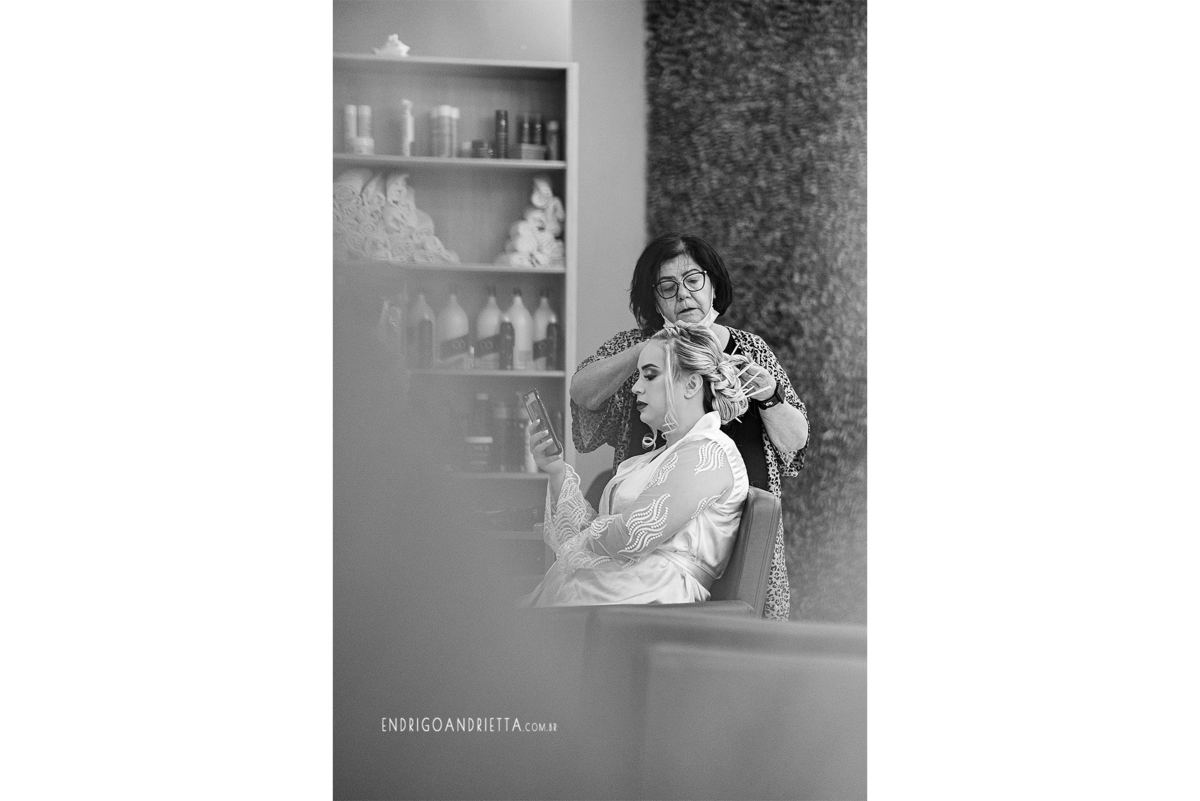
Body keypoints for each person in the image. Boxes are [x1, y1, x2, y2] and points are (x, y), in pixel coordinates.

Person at [570, 233, 809, 621]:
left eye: (693, 280)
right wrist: (650, 350)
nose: (683, 294)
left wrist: (770, 396)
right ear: (655, 301)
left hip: (735, 539)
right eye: (667, 287)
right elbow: (583, 392)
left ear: (713, 286)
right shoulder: (639, 349)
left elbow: (795, 441)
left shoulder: (751, 349)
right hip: (647, 557)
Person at [521, 323, 751, 607]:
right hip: (619, 592)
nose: (635, 387)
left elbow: (629, 536)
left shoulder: (708, 453)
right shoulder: (652, 459)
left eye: (650, 375)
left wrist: (582, 540)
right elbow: (596, 532)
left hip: (650, 603)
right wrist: (556, 470)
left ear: (691, 385)